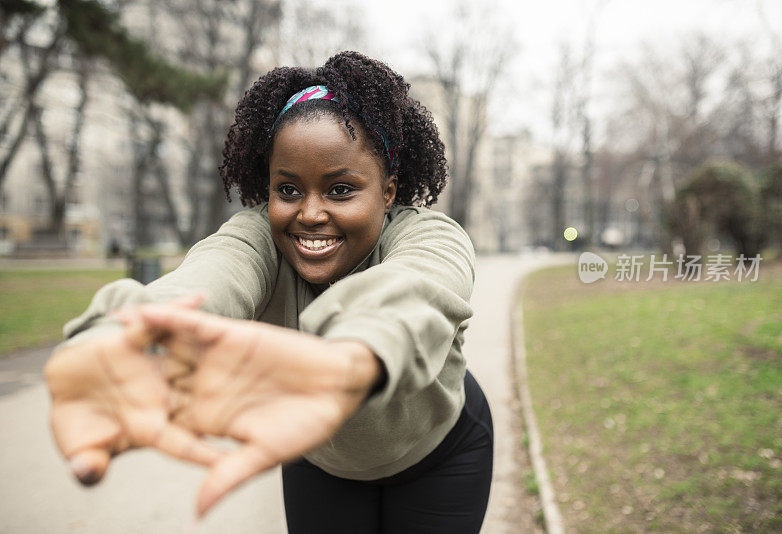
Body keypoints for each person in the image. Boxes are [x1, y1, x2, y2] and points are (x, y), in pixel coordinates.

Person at [45, 51, 494, 533]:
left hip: (439, 453)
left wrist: (353, 355)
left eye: (341, 189)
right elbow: (206, 279)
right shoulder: (256, 238)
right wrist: (113, 336)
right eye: (289, 190)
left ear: (388, 190)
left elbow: (416, 290)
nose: (311, 213)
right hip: (318, 458)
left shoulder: (429, 235)